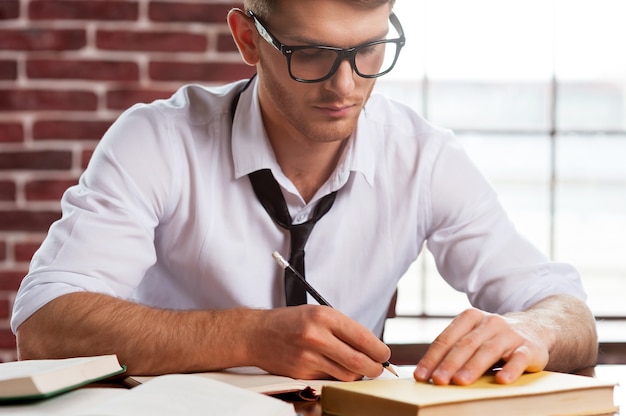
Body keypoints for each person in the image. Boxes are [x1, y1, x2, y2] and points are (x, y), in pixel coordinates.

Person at [11, 0, 597, 386]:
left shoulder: (423, 156)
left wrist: (533, 329)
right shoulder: (157, 140)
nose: (345, 85)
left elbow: (566, 309)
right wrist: (249, 336)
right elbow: (44, 325)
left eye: (369, 50)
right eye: (311, 54)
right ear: (247, 38)